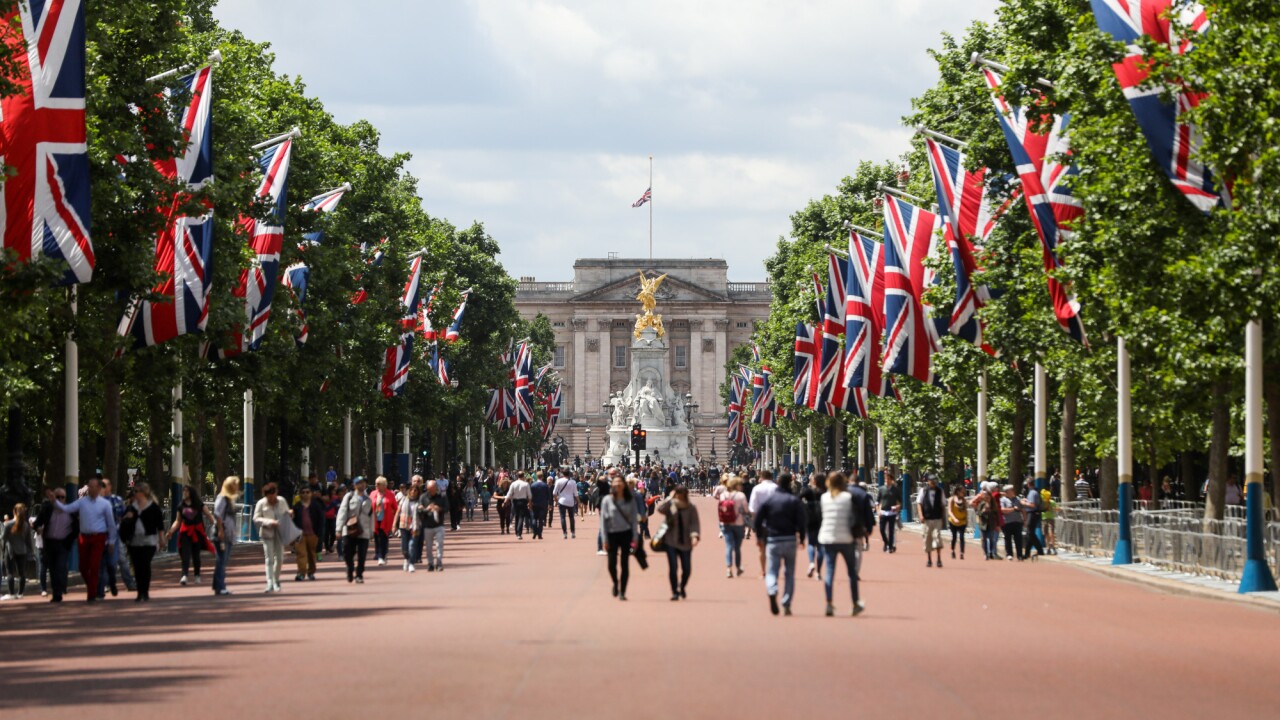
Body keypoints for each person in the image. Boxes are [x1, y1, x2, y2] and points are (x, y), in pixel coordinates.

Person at [818, 472, 873, 617]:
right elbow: (856, 517)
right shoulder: (848, 497)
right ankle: (855, 603)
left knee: (829, 571)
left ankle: (829, 603)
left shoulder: (824, 498)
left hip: (828, 537)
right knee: (851, 572)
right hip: (846, 538)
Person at [55, 477, 117, 602]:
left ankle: (92, 594)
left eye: (94, 486)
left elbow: (111, 524)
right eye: (90, 486)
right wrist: (54, 500)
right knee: (83, 567)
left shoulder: (105, 504)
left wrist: (111, 541)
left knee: (94, 566)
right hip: (84, 537)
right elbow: (67, 509)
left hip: (98, 537)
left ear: (99, 488)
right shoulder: (82, 502)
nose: (92, 489)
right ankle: (92, 586)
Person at [753, 473, 806, 616]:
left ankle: (772, 590)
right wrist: (801, 539)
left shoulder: (770, 500)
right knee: (789, 573)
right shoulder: (794, 500)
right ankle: (786, 602)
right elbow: (801, 521)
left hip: (773, 539)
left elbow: (758, 520)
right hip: (789, 539)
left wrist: (759, 536)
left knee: (772, 571)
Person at [120, 483, 164, 602]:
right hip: (134, 541)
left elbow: (160, 525)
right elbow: (123, 523)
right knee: (137, 567)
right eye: (134, 491)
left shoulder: (154, 507)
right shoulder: (131, 507)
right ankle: (140, 592)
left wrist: (162, 539)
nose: (134, 494)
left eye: (137, 491)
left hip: (149, 541)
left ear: (144, 493)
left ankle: (145, 591)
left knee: (145, 565)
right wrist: (126, 518)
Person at [656, 485, 701, 601]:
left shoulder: (691, 507)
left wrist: (695, 536)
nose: (680, 495)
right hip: (671, 541)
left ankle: (682, 586)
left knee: (687, 569)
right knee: (673, 567)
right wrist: (669, 498)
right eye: (678, 493)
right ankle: (675, 591)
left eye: (682, 493)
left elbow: (694, 523)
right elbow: (660, 509)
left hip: (686, 542)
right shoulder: (671, 505)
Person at [600, 472, 639, 600]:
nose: (617, 484)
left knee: (624, 563)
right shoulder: (607, 500)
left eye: (619, 482)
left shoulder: (630, 500)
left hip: (626, 534)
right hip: (611, 534)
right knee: (611, 564)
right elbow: (603, 521)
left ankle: (622, 591)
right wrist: (604, 538)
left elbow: (633, 520)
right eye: (615, 482)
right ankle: (615, 583)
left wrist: (635, 537)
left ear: (624, 484)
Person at [33, 487, 74, 602]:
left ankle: (60, 588)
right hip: (50, 543)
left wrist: (71, 539)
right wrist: (38, 528)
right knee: (52, 569)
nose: (60, 499)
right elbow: (37, 523)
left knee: (60, 567)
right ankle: (57, 593)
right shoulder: (47, 509)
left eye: (62, 497)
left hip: (63, 543)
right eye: (57, 497)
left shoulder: (70, 510)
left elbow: (77, 526)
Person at [167, 485, 214, 586]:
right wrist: (171, 531)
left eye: (186, 491)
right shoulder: (181, 506)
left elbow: (209, 515)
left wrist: (217, 525)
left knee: (196, 555)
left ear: (191, 493)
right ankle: (184, 575)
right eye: (183, 491)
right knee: (185, 554)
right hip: (185, 533)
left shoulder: (199, 504)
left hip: (197, 533)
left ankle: (197, 575)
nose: (184, 493)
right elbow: (178, 521)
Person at [253, 483, 292, 593]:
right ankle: (270, 582)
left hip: (280, 533)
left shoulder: (282, 501)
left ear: (276, 493)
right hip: (267, 533)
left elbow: (286, 513)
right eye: (268, 496)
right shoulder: (261, 503)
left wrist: (290, 513)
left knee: (279, 558)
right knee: (269, 558)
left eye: (273, 495)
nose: (271, 498)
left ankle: (276, 579)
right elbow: (256, 518)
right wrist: (270, 522)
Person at [99, 478, 135, 596]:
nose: (102, 488)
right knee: (103, 561)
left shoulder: (117, 500)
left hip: (115, 534)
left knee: (122, 560)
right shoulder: (96, 501)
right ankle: (105, 584)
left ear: (109, 486)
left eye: (104, 485)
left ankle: (129, 583)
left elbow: (122, 516)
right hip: (101, 534)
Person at [336, 477, 373, 583]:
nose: (361, 485)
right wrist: (338, 529)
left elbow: (371, 516)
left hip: (364, 531)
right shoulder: (349, 497)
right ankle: (350, 568)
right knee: (348, 553)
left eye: (363, 483)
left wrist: (371, 532)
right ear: (354, 485)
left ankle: (359, 575)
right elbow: (342, 513)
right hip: (349, 530)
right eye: (359, 483)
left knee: (362, 555)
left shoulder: (368, 499)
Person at [211, 476, 241, 596]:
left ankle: (217, 584)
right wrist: (221, 531)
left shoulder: (229, 499)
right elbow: (218, 514)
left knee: (223, 560)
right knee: (221, 560)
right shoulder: (222, 498)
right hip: (222, 534)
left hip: (228, 534)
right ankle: (220, 586)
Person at [747, 470, 778, 574]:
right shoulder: (777, 488)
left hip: (761, 523)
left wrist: (754, 522)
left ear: (761, 477)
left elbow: (752, 509)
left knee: (762, 548)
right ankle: (772, 569)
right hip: (774, 522)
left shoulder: (757, 488)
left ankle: (763, 570)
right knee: (773, 547)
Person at [717, 476, 749, 578]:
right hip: (739, 524)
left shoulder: (723, 495)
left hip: (726, 523)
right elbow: (746, 510)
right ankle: (738, 567)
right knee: (737, 547)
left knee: (728, 546)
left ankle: (728, 568)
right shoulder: (741, 495)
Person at [1, 504, 34, 600]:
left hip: (10, 550)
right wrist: (31, 552)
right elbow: (28, 541)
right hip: (22, 551)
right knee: (22, 573)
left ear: (14, 511)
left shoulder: (8, 524)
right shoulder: (26, 525)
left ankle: (11, 593)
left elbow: (4, 537)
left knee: (10, 572)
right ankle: (20, 593)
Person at [292, 485, 324, 581]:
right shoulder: (297, 506)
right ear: (300, 494)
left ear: (311, 494)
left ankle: (311, 572)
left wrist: (318, 534)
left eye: (307, 492)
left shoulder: (316, 505)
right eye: (303, 492)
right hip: (300, 535)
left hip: (312, 534)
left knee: (311, 555)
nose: (305, 494)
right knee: (301, 554)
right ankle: (301, 573)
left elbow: (321, 520)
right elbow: (292, 521)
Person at [417, 480, 448, 571]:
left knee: (439, 545)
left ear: (436, 488)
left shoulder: (442, 496)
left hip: (439, 525)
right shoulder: (423, 497)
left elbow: (447, 508)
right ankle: (430, 563)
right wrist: (426, 509)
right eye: (429, 489)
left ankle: (439, 563)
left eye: (433, 489)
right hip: (427, 525)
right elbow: (419, 510)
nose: (431, 491)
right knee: (429, 547)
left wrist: (440, 509)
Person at [916, 474, 946, 568]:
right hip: (927, 519)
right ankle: (929, 559)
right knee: (927, 539)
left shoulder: (940, 491)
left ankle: (939, 559)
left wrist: (943, 518)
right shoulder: (923, 491)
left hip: (937, 518)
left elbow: (943, 505)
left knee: (937, 537)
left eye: (934, 480)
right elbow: (919, 503)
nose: (933, 482)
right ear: (928, 481)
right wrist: (921, 515)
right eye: (931, 480)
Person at [800, 472, 826, 579]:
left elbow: (798, 499)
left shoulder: (809, 491)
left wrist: (804, 507)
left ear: (814, 481)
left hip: (810, 519)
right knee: (820, 546)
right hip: (823, 519)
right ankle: (819, 571)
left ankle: (811, 562)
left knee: (811, 543)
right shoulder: (826, 492)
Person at [368, 476, 398, 566]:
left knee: (383, 538)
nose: (376, 485)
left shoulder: (390, 494)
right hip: (375, 519)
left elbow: (395, 508)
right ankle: (378, 553)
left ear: (384, 485)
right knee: (377, 538)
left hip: (386, 520)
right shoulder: (373, 494)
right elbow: (369, 506)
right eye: (376, 483)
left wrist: (394, 521)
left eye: (378, 484)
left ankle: (382, 555)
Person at [394, 484, 421, 572]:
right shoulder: (404, 499)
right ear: (409, 491)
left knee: (412, 545)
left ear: (418, 492)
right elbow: (398, 512)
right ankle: (406, 559)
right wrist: (394, 524)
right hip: (404, 526)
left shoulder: (419, 502)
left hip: (415, 526)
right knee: (404, 548)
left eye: (415, 490)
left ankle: (411, 564)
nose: (413, 492)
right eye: (412, 490)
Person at [500, 472, 533, 539]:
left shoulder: (513, 484)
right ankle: (519, 533)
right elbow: (529, 495)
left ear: (517, 476)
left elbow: (509, 494)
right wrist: (529, 503)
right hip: (523, 501)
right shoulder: (526, 484)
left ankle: (517, 531)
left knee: (517, 516)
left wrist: (505, 502)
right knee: (521, 517)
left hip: (515, 502)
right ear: (523, 476)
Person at [1020, 482, 1046, 559]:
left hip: (1032, 514)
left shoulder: (1032, 493)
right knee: (1029, 534)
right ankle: (1027, 553)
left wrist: (1023, 503)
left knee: (1030, 533)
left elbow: (1032, 505)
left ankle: (1040, 550)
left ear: (1028, 484)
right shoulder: (1034, 492)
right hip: (1033, 514)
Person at [1000, 485, 1024, 561]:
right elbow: (1003, 510)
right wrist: (1013, 509)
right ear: (1007, 492)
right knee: (1008, 539)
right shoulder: (1003, 500)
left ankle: (1020, 555)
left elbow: (1022, 510)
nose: (1013, 491)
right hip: (1007, 522)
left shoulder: (1017, 499)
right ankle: (1009, 554)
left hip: (1017, 522)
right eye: (1011, 490)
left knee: (1018, 539)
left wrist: (1025, 520)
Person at [553, 471, 578, 539]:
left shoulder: (558, 481)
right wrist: (579, 502)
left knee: (562, 517)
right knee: (571, 517)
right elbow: (576, 493)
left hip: (562, 501)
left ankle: (565, 533)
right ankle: (572, 532)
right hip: (571, 501)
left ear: (562, 474)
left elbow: (554, 493)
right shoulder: (573, 482)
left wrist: (556, 500)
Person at [879, 476, 901, 552]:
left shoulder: (895, 490)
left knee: (891, 531)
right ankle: (886, 542)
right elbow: (878, 501)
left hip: (892, 512)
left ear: (891, 480)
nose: (887, 480)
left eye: (888, 479)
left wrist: (897, 507)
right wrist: (878, 510)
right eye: (885, 479)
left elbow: (900, 501)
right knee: (882, 530)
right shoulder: (881, 489)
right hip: (883, 512)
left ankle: (891, 547)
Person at [946, 484, 968, 560]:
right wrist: (954, 518)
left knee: (962, 537)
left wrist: (966, 520)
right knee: (954, 537)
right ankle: (952, 550)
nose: (963, 493)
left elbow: (965, 510)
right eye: (962, 491)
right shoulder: (951, 499)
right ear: (958, 492)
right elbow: (950, 511)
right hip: (953, 521)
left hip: (962, 521)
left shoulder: (964, 500)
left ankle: (962, 553)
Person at [529, 472, 551, 540]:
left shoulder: (533, 485)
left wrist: (529, 503)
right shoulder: (545, 485)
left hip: (534, 504)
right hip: (543, 504)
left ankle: (535, 532)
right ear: (542, 477)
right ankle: (539, 534)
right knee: (541, 519)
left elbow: (530, 495)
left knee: (534, 518)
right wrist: (550, 504)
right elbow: (548, 496)